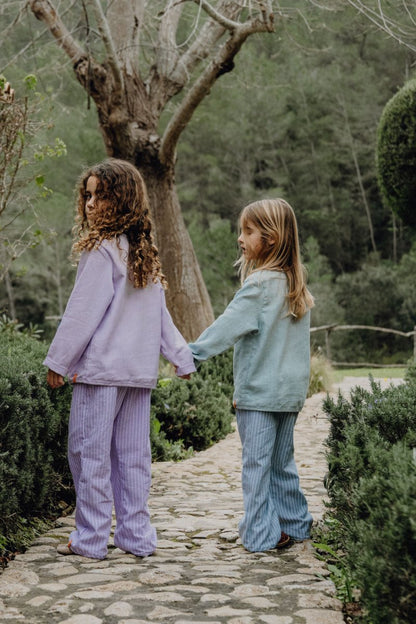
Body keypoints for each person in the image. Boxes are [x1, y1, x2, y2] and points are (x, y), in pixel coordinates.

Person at [44, 158, 196, 560]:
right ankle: (136, 536)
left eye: (101, 196)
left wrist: (59, 361)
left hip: (101, 374)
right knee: (133, 458)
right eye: (87, 196)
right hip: (137, 375)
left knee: (88, 454)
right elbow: (160, 316)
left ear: (123, 200)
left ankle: (91, 538)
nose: (91, 204)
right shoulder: (143, 254)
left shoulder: (101, 251)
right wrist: (181, 357)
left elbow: (82, 313)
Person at [189, 198, 314, 553]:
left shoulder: (258, 286)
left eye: (248, 231)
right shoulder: (296, 287)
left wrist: (191, 355)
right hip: (289, 395)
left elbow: (225, 328)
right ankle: (295, 525)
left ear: (270, 239)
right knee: (281, 463)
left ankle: (261, 534)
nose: (240, 239)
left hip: (258, 395)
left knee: (256, 466)